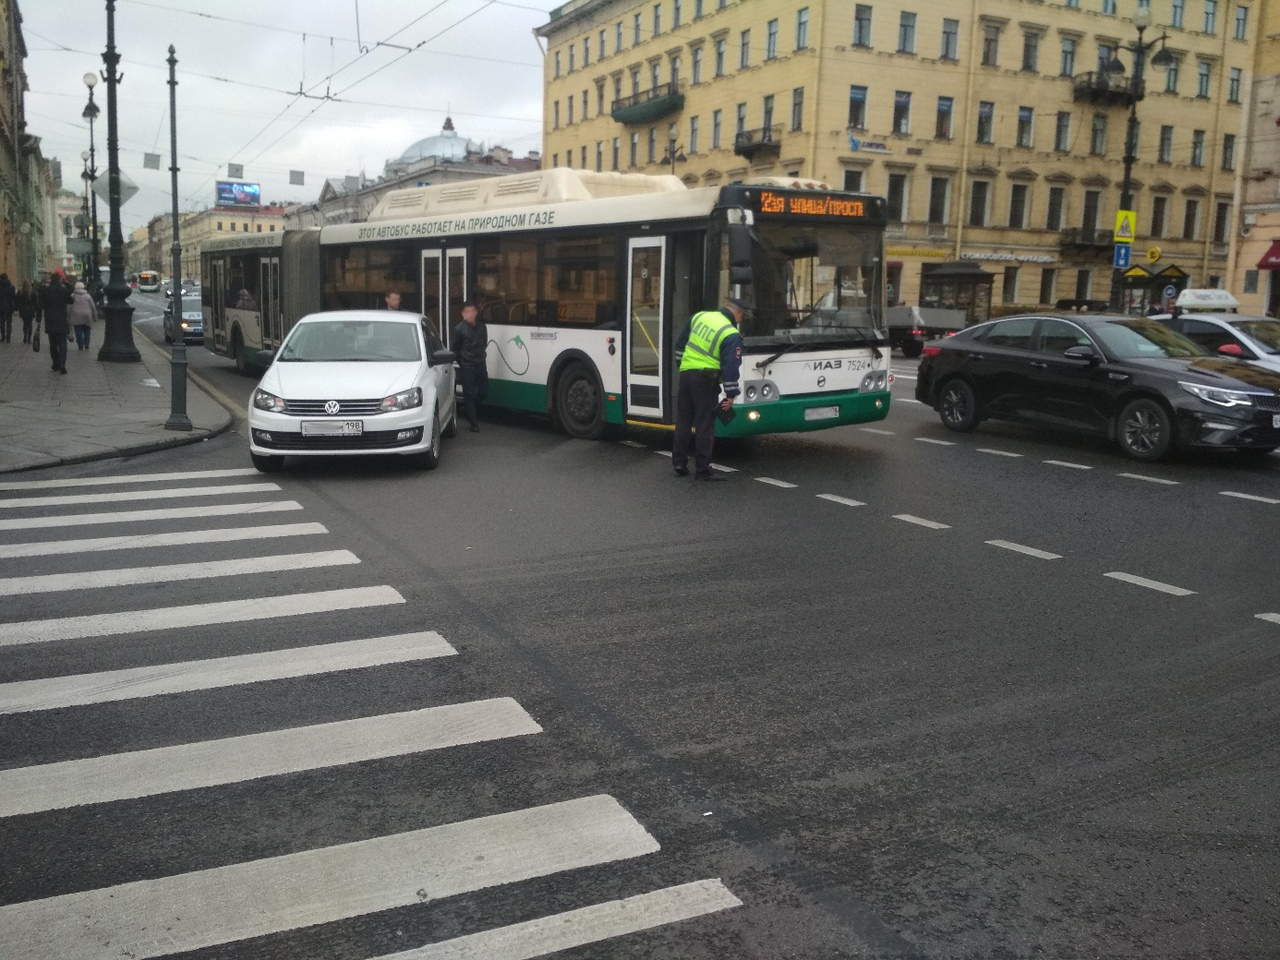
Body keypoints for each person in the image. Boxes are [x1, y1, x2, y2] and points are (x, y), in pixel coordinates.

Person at [671, 297, 747, 481]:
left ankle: (679, 463)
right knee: (705, 424)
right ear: (738, 314)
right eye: (742, 317)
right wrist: (731, 394)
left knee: (684, 420)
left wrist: (684, 366)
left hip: (686, 375)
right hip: (705, 381)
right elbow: (731, 367)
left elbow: (680, 346)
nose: (740, 320)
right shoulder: (730, 333)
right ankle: (703, 470)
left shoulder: (699, 317)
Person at [452, 299, 488, 432]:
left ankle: (469, 408)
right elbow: (454, 349)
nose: (470, 314)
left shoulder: (482, 327)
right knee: (469, 393)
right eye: (467, 312)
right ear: (463, 314)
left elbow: (484, 343)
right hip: (467, 365)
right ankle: (473, 422)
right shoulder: (459, 330)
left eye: (473, 311)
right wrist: (462, 363)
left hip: (480, 363)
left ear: (476, 312)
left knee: (484, 390)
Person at [38, 270, 73, 374]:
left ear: (51, 280)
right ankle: (63, 363)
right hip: (62, 320)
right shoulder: (64, 290)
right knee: (62, 343)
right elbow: (71, 300)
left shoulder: (45, 290)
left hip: (50, 320)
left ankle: (56, 363)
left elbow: (40, 305)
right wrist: (66, 284)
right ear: (60, 280)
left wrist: (38, 319)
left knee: (53, 343)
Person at [68, 281, 99, 351]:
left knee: (78, 331)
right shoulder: (87, 296)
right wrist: (95, 317)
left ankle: (80, 345)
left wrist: (68, 316)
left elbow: (69, 307)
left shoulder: (73, 296)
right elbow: (93, 307)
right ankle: (87, 344)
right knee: (87, 330)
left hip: (76, 314)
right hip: (87, 314)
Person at [16, 280, 38, 344]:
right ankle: (29, 338)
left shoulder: (20, 292)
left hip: (23, 309)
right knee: (30, 324)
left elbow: (17, 301)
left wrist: (16, 307)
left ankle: (25, 336)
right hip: (31, 309)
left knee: (25, 323)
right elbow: (36, 302)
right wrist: (36, 310)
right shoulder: (33, 292)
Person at [0, 273, 14, 342]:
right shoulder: (11, 287)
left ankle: (3, 337)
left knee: (2, 322)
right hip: (9, 306)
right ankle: (8, 338)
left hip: (1, 307)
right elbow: (13, 298)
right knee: (9, 322)